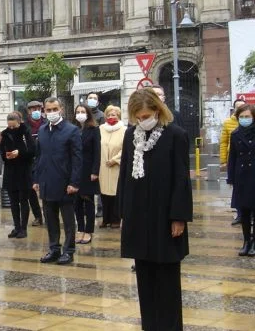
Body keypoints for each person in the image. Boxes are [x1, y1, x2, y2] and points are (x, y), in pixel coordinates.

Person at [117, 88, 193, 331]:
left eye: (147, 116)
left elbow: (181, 179)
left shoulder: (176, 135)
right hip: (139, 216)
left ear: (158, 111)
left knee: (167, 281)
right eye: (138, 117)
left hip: (165, 216)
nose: (143, 120)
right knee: (145, 279)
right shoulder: (131, 135)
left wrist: (178, 217)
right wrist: (123, 213)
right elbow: (125, 175)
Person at [33, 97, 82, 265]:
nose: (52, 112)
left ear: (61, 109)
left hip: (65, 183)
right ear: (44, 111)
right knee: (50, 219)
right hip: (46, 182)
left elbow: (77, 159)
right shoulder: (42, 130)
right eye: (49, 110)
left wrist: (74, 182)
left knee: (68, 220)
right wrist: (36, 178)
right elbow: (39, 156)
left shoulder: (72, 130)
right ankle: (54, 249)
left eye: (55, 109)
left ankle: (68, 251)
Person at [227, 104, 255, 257]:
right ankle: (246, 241)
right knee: (244, 211)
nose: (244, 119)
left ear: (254, 117)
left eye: (247, 116)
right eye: (241, 117)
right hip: (241, 176)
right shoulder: (235, 134)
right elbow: (232, 157)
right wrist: (231, 177)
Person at [0, 112, 35, 239]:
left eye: (14, 126)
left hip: (23, 171)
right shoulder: (5, 134)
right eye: (9, 126)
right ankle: (17, 227)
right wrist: (6, 155)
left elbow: (32, 150)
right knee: (13, 202)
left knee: (23, 200)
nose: (11, 128)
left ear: (19, 123)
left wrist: (19, 153)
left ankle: (23, 229)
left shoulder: (26, 132)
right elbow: (1, 151)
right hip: (10, 171)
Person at [73, 104, 100, 244]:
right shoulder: (73, 129)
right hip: (75, 171)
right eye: (78, 112)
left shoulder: (94, 129)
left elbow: (97, 151)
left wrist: (95, 171)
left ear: (88, 113)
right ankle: (80, 229)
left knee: (88, 201)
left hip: (89, 170)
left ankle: (89, 230)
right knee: (76, 202)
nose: (80, 114)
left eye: (82, 111)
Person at [98, 105, 126, 230]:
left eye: (113, 115)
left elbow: (125, 148)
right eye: (108, 115)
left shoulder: (124, 130)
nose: (110, 117)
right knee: (104, 194)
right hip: (103, 166)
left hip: (116, 166)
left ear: (118, 116)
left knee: (115, 194)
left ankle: (115, 219)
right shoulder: (101, 129)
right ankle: (106, 219)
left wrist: (115, 160)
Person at [221, 98, 246, 225]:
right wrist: (223, 160)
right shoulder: (227, 123)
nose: (240, 109)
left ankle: (251, 215)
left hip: (249, 159)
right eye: (238, 107)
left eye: (243, 107)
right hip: (234, 159)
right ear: (234, 109)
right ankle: (240, 214)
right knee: (237, 189)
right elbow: (224, 142)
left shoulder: (251, 121)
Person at [24, 100, 45, 227]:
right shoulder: (24, 125)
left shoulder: (46, 123)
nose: (36, 111)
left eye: (38, 109)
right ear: (29, 111)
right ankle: (38, 216)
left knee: (46, 189)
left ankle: (48, 215)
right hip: (30, 162)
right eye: (33, 109)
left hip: (45, 160)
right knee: (31, 191)